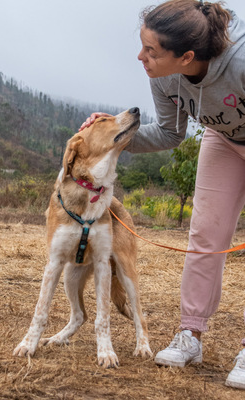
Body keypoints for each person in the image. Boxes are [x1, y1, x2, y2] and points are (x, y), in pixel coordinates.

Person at [80, 0, 245, 389]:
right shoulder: (164, 76)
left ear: (186, 55)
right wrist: (113, 136)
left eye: (151, 51)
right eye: (143, 46)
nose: (141, 57)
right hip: (223, 141)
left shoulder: (239, 64)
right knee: (205, 236)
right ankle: (191, 334)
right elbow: (171, 133)